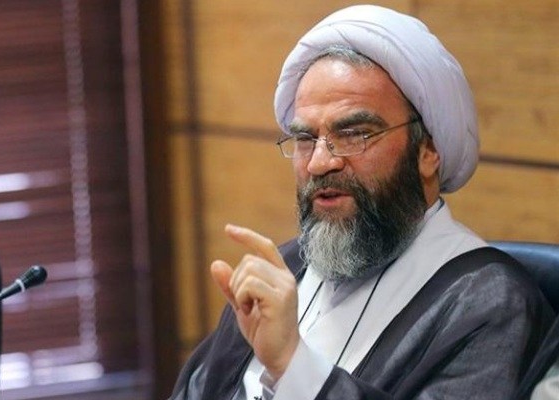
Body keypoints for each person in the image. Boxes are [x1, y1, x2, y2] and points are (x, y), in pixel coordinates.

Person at [169, 5, 554, 400]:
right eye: (305, 139)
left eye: (354, 134)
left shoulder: (489, 303)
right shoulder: (283, 269)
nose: (320, 163)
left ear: (428, 150)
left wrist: (292, 365)